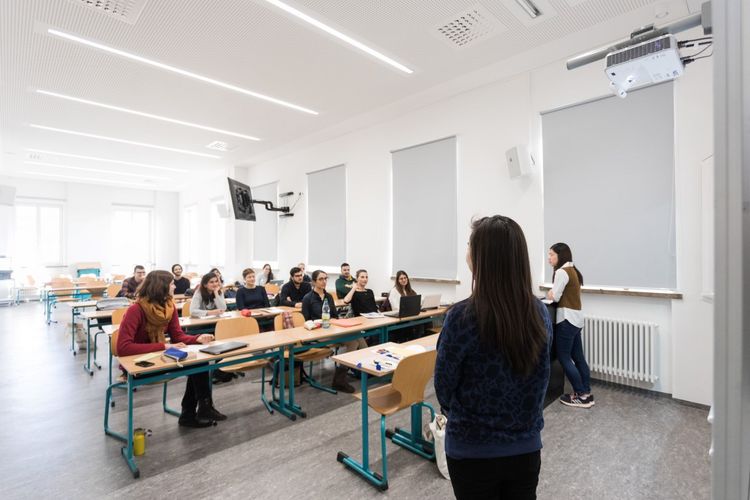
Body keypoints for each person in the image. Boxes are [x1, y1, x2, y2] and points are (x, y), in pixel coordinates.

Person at [434, 215, 552, 499]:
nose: (466, 253)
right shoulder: (539, 313)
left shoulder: (461, 317)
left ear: (482, 258)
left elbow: (444, 388)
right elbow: (541, 380)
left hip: (472, 451)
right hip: (525, 447)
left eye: (469, 247)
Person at [117, 270, 226, 428]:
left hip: (161, 356)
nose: (174, 286)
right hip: (137, 363)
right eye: (171, 284)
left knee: (199, 362)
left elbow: (178, 336)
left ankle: (199, 409)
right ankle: (195, 411)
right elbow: (123, 348)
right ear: (160, 287)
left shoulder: (169, 307)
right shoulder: (136, 310)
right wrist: (164, 346)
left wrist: (197, 338)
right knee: (197, 366)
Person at [547, 242, 593, 409]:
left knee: (564, 357)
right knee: (578, 357)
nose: (549, 258)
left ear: (561, 255)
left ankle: (580, 395)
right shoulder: (573, 270)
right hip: (576, 320)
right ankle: (586, 393)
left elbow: (554, 297)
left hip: (566, 320)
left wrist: (550, 293)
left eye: (551, 254)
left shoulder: (561, 272)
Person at [302, 270, 365, 393]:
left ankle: (342, 378)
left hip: (332, 330)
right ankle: (363, 370)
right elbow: (306, 321)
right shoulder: (307, 298)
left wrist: (338, 322)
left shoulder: (329, 296)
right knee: (355, 340)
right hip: (317, 333)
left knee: (357, 337)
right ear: (314, 281)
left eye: (326, 278)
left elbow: (335, 316)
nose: (324, 281)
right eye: (321, 279)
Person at [388, 270, 423, 342]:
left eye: (405, 278)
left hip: (409, 315)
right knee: (416, 324)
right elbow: (395, 308)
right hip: (400, 318)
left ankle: (419, 339)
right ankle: (412, 339)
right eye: (401, 279)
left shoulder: (409, 290)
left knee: (424, 319)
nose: (404, 280)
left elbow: (416, 302)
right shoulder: (394, 291)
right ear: (397, 281)